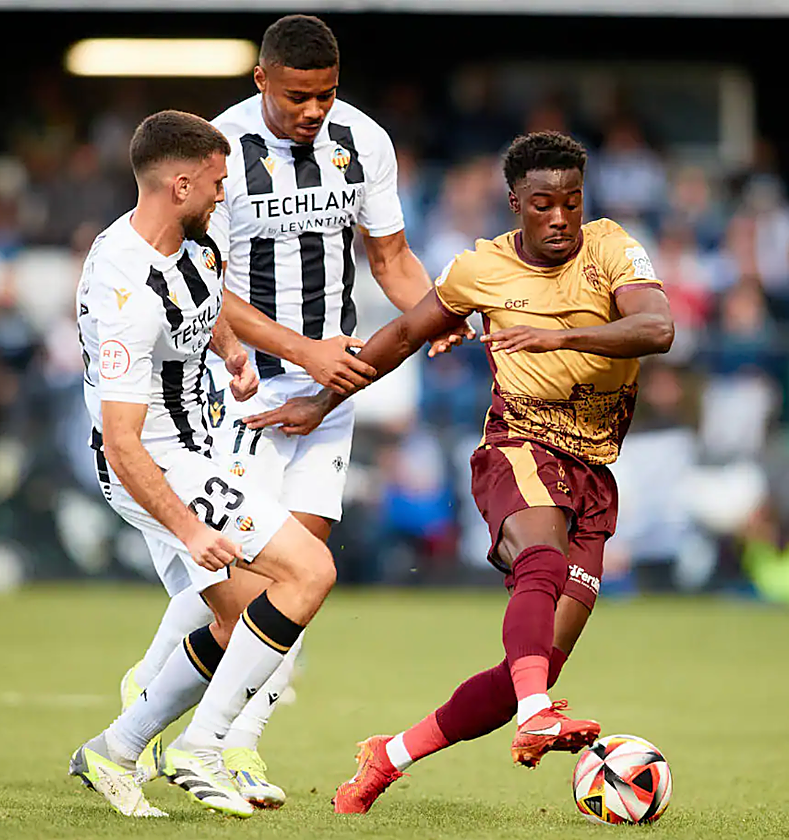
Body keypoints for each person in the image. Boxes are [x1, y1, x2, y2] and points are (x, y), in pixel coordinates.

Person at [244, 130, 675, 813]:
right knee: (539, 559)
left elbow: (657, 329)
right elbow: (404, 335)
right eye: (543, 204)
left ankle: (390, 755)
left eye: (571, 201)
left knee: (529, 669)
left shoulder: (613, 248)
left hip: (593, 469)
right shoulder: (481, 268)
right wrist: (321, 400)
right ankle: (538, 712)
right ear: (515, 203)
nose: (560, 217)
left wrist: (559, 337)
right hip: (518, 444)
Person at [114, 14, 470, 809]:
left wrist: (432, 315)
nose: (313, 111)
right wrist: (304, 351)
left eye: (326, 95)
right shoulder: (218, 154)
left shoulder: (364, 141)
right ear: (262, 80)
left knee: (300, 574)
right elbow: (204, 289)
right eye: (297, 96)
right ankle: (159, 693)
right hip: (235, 388)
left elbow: (391, 258)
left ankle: (233, 741)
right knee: (252, 578)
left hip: (327, 391)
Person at [68, 110, 337, 819]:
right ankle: (202, 747)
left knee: (244, 617)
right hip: (158, 463)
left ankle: (117, 749)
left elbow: (205, 301)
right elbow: (122, 441)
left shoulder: (192, 239)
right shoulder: (123, 291)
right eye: (217, 183)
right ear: (180, 185)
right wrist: (189, 530)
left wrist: (231, 350)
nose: (225, 194)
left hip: (202, 444)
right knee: (310, 572)